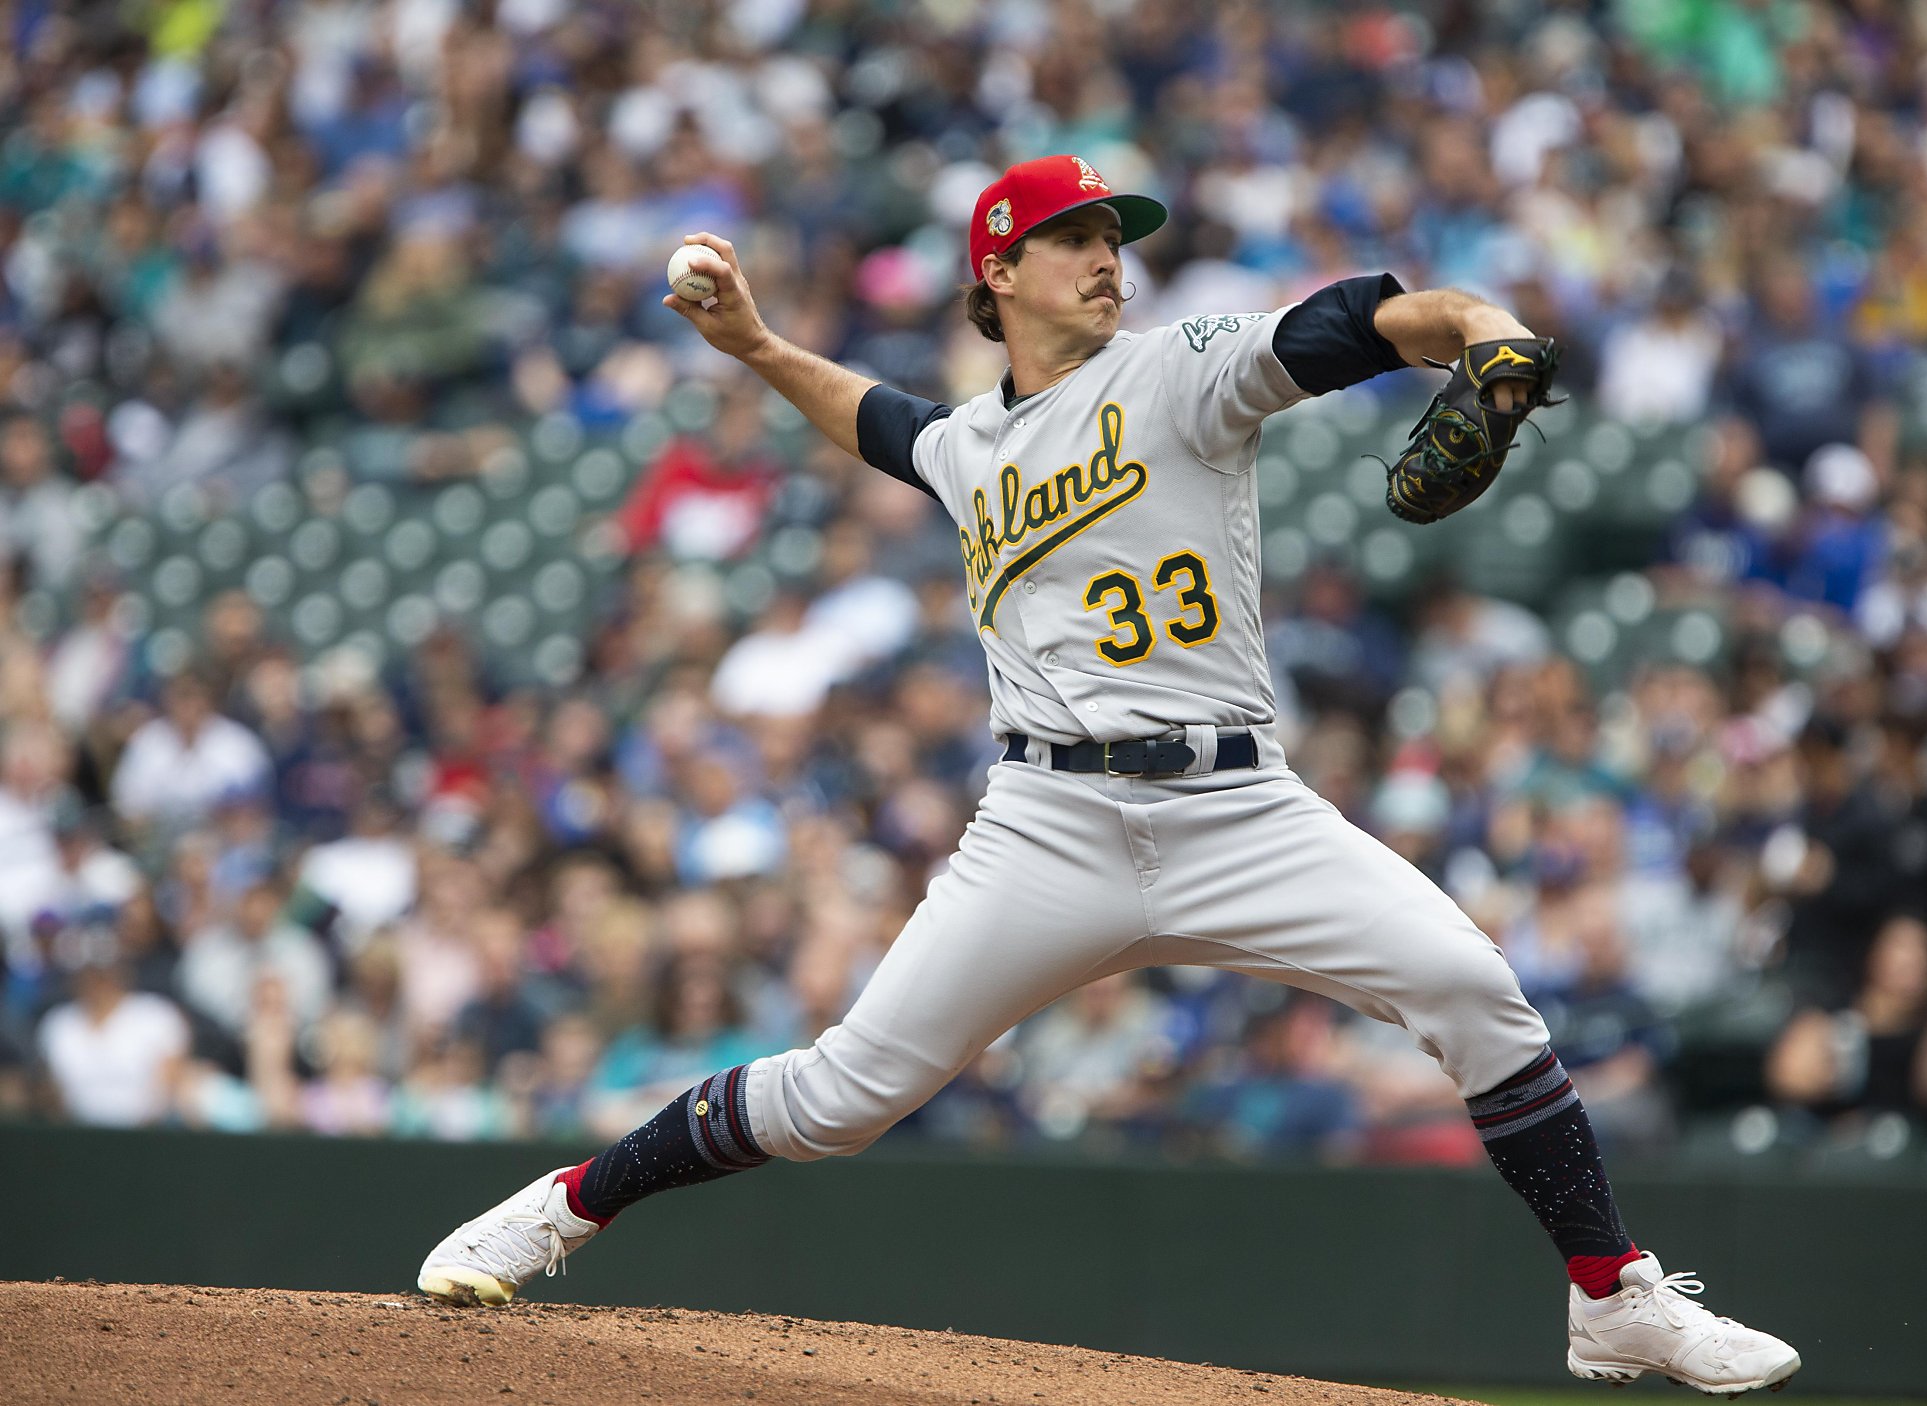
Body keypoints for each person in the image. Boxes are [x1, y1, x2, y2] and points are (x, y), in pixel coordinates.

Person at [416, 154, 1800, 1391]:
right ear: (998, 270)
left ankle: (1614, 1301)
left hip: (1236, 803)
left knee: (1472, 990)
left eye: (1112, 233)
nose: (1105, 254)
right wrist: (762, 344)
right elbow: (879, 418)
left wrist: (1486, 331)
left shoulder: (1183, 366)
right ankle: (565, 1203)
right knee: (840, 1097)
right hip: (1047, 821)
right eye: (1073, 234)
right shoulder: (969, 445)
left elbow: (1381, 321)